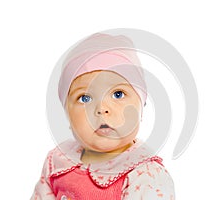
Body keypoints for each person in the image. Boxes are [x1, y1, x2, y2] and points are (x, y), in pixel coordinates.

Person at [31, 33, 175, 200]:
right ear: (67, 114)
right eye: (85, 98)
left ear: (140, 107)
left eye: (118, 94)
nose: (101, 109)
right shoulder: (58, 162)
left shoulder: (147, 175)